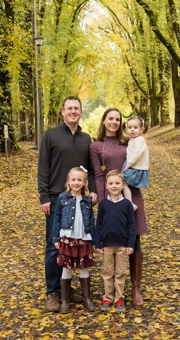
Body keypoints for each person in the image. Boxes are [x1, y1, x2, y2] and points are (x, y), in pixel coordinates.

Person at [37, 96, 95, 312]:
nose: (73, 111)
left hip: (80, 201)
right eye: (69, 108)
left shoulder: (86, 139)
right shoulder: (50, 136)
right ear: (62, 112)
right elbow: (43, 168)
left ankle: (68, 290)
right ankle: (53, 292)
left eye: (76, 108)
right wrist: (44, 197)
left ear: (81, 112)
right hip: (55, 198)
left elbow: (90, 169)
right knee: (55, 246)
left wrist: (94, 193)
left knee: (78, 244)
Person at [89, 108, 150, 306]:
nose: (114, 122)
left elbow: (140, 159)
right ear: (104, 121)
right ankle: (112, 290)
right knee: (112, 239)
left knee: (135, 237)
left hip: (132, 194)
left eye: (117, 119)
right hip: (110, 197)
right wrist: (103, 197)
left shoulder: (129, 140)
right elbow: (98, 174)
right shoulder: (96, 145)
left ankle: (136, 287)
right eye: (110, 119)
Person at [52, 167, 98, 314]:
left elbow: (91, 220)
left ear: (84, 182)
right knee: (67, 267)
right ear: (68, 181)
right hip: (68, 237)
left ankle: (86, 298)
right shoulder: (62, 198)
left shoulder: (87, 201)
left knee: (83, 266)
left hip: (83, 237)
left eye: (79, 180)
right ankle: (65, 300)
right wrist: (56, 237)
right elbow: (57, 218)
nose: (76, 183)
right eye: (73, 180)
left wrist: (94, 239)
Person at [95, 170, 138, 313]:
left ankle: (119, 297)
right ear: (106, 186)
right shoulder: (103, 204)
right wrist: (97, 242)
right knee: (108, 272)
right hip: (107, 244)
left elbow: (132, 225)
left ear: (123, 185)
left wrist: (130, 244)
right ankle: (107, 297)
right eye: (111, 183)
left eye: (117, 183)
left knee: (120, 272)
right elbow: (99, 224)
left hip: (122, 244)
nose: (114, 186)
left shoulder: (127, 204)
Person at [122, 116, 150, 190]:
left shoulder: (140, 139)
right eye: (130, 127)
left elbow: (137, 154)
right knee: (123, 183)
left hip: (135, 167)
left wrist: (128, 164)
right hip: (132, 165)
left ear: (141, 129)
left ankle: (128, 201)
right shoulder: (132, 139)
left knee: (123, 183)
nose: (132, 130)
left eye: (135, 127)